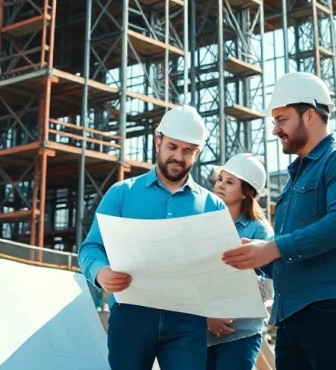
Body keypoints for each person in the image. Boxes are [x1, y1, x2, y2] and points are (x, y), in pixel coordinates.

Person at [221, 71, 336, 370]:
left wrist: (271, 249)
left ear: (309, 115)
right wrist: (253, 254)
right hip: (292, 311)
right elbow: (288, 251)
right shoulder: (295, 179)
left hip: (333, 305)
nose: (275, 130)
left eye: (281, 120)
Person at [78, 105, 226, 370]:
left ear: (198, 152)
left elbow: (221, 266)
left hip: (188, 320)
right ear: (158, 142)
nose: (178, 156)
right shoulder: (121, 194)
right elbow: (91, 247)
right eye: (172, 147)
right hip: (131, 315)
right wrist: (101, 272)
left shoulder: (213, 207)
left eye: (188, 150)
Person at [207, 153, 273, 370]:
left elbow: (266, 287)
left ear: (246, 192)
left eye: (230, 181)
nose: (221, 185)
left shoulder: (258, 230)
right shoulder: (204, 225)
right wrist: (208, 315)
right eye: (220, 179)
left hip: (242, 332)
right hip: (203, 329)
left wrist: (224, 312)